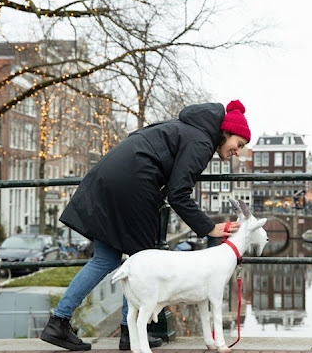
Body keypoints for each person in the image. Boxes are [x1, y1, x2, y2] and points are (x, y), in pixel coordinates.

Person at [40, 100, 252, 351]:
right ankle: (130, 334)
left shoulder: (187, 128)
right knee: (141, 261)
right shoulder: (202, 141)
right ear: (225, 133)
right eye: (238, 144)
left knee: (105, 259)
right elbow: (179, 193)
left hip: (112, 177)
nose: (238, 151)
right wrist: (208, 227)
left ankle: (59, 321)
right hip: (135, 185)